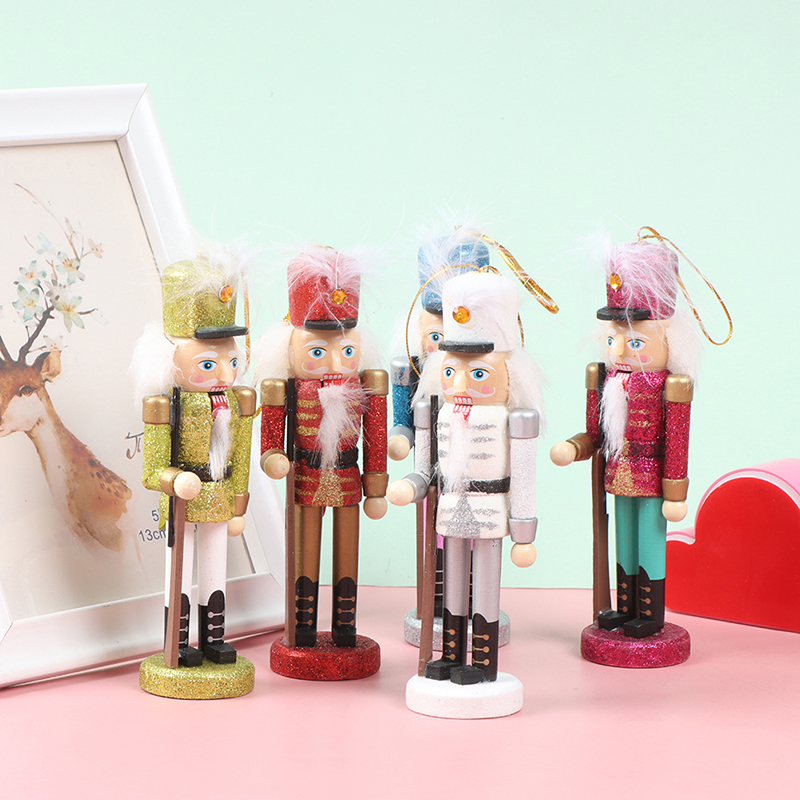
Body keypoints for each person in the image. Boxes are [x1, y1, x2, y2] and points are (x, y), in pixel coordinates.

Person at [388, 270, 541, 698]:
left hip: (491, 513)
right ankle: (451, 656)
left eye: (478, 374)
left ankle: (484, 664)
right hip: (450, 509)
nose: (460, 385)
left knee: (485, 587)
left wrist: (524, 532)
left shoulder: (515, 420)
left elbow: (524, 476)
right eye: (452, 371)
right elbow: (425, 468)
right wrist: (411, 486)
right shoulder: (437, 412)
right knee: (452, 585)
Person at [259, 246, 388, 651]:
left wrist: (377, 487)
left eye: (346, 350)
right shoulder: (286, 387)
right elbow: (270, 440)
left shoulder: (366, 384)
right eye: (317, 351)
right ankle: (304, 627)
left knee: (348, 555)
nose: (334, 361)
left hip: (348, 477)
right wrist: (273, 457)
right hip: (306, 477)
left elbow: (377, 436)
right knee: (305, 553)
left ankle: (345, 625)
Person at [137, 253, 255, 671]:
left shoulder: (237, 402)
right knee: (180, 570)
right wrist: (175, 480)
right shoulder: (164, 404)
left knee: (215, 570)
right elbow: (151, 469)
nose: (225, 373)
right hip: (182, 501)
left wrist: (239, 503)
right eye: (208, 363)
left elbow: (241, 456)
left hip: (219, 497)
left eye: (232, 361)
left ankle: (215, 639)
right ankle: (178, 641)